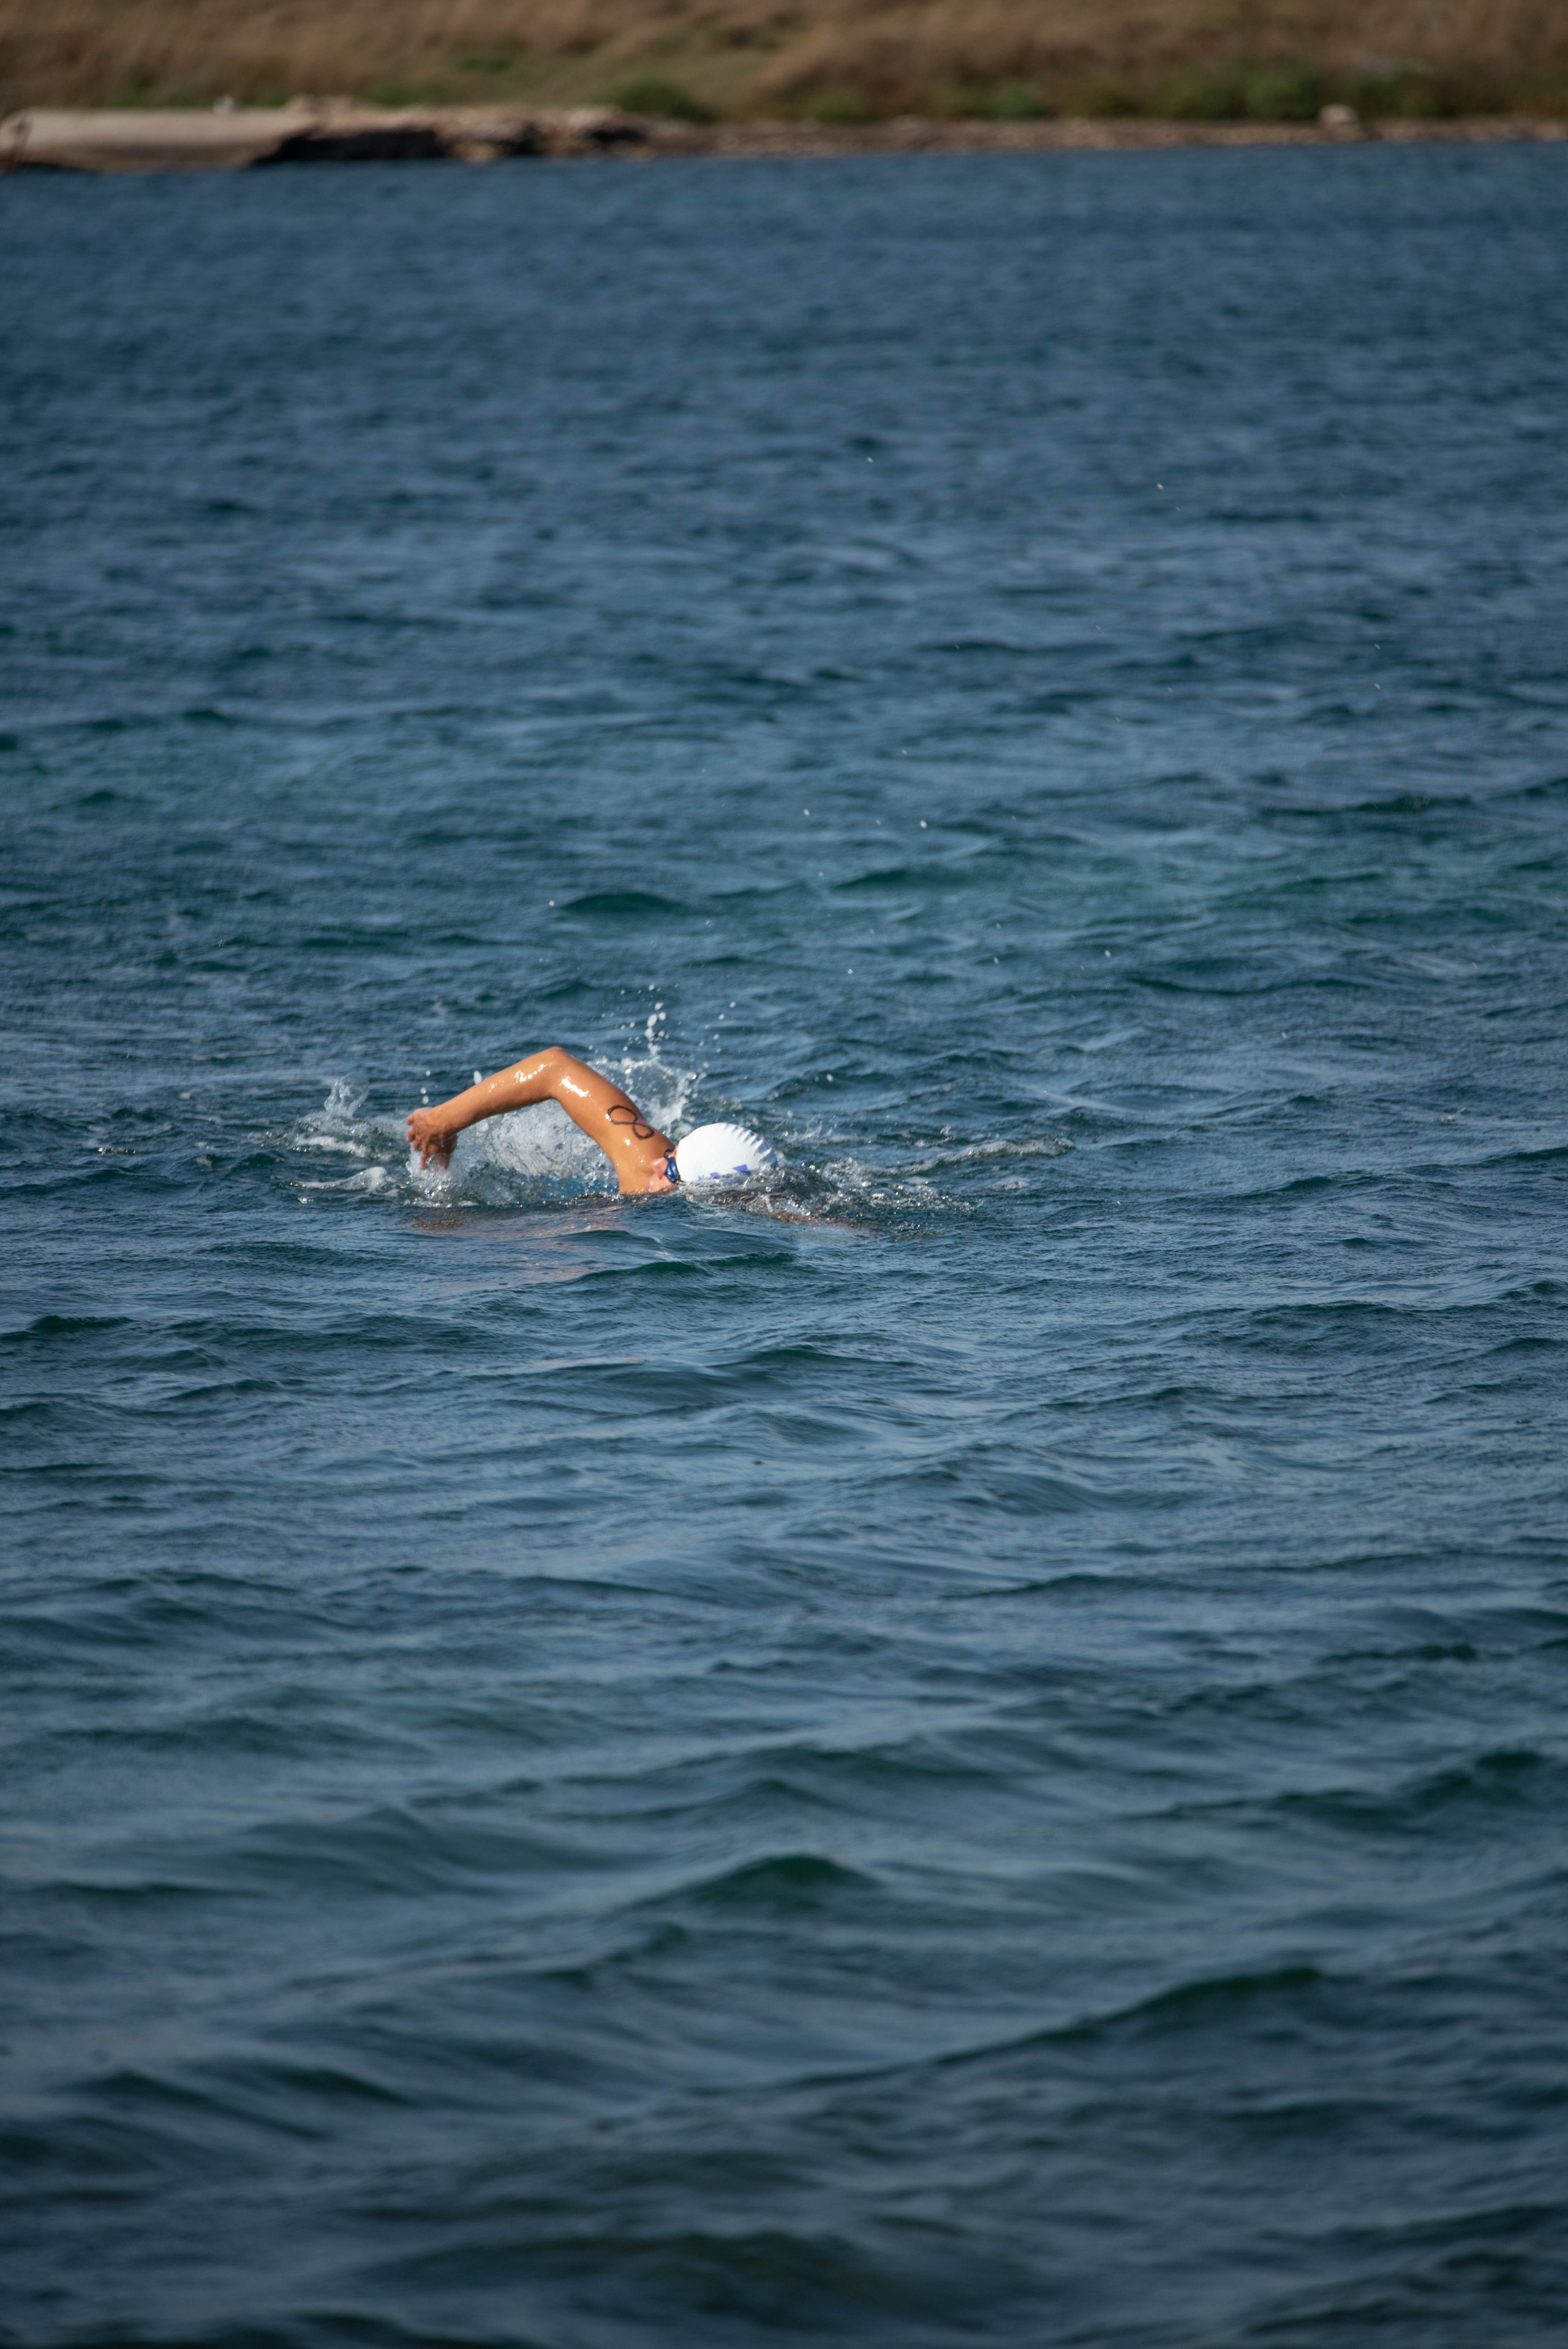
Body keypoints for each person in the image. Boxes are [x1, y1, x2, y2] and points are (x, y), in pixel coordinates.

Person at [406, 1046, 777, 1195]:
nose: (655, 1166)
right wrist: (442, 1121)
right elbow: (555, 1068)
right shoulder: (650, 1164)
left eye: (673, 1174)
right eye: (670, 1155)